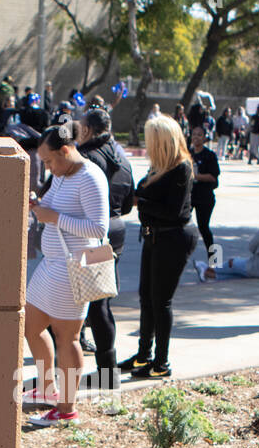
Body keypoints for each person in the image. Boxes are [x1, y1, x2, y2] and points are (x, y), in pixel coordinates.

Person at [23, 122, 109, 426]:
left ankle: (66, 408)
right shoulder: (63, 174)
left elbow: (99, 228)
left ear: (65, 150)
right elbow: (53, 208)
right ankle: (47, 387)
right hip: (52, 265)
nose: (48, 168)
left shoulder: (90, 177)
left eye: (49, 161)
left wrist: (54, 218)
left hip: (73, 267)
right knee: (31, 326)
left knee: (67, 338)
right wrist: (39, 206)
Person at [119, 115, 195, 378]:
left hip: (172, 238)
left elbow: (174, 211)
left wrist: (142, 202)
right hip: (153, 237)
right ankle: (144, 355)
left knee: (160, 301)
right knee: (146, 298)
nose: (147, 144)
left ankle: (161, 363)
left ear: (162, 141)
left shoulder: (181, 168)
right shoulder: (158, 167)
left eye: (150, 139)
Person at [77, 107, 135, 389]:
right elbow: (128, 202)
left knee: (95, 305)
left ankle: (106, 373)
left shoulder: (87, 157)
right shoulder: (122, 156)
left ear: (87, 130)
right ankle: (106, 370)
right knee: (100, 302)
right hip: (116, 229)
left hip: (95, 233)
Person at [195, 224, 259, 281]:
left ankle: (209, 270)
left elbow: (251, 248)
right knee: (240, 276)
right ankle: (210, 274)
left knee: (232, 263)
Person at [189, 124, 220, 273]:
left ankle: (214, 261)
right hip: (189, 196)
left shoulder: (209, 155)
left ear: (204, 137)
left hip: (204, 197)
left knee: (204, 228)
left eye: (199, 135)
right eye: (194, 134)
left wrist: (197, 176)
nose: (196, 137)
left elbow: (213, 177)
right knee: (181, 226)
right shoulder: (187, 153)